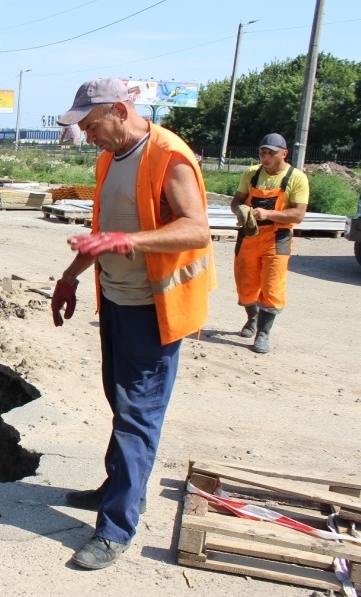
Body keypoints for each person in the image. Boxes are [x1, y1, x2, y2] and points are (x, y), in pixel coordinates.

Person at [50, 78, 215, 570]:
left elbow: (197, 229)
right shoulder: (109, 158)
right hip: (117, 302)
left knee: (137, 417)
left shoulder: (169, 155)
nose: (87, 136)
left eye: (91, 125)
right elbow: (103, 233)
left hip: (154, 309)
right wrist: (70, 277)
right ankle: (118, 487)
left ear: (120, 111)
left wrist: (130, 242)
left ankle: (115, 528)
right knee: (120, 403)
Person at [229, 133, 308, 353]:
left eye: (271, 153)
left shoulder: (296, 178)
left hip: (277, 238)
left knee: (272, 287)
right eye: (262, 152)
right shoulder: (251, 174)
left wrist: (268, 214)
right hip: (249, 236)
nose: (265, 157)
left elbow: (298, 215)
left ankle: (263, 334)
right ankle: (252, 319)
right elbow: (236, 201)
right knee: (245, 286)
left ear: (284, 153)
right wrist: (240, 210)